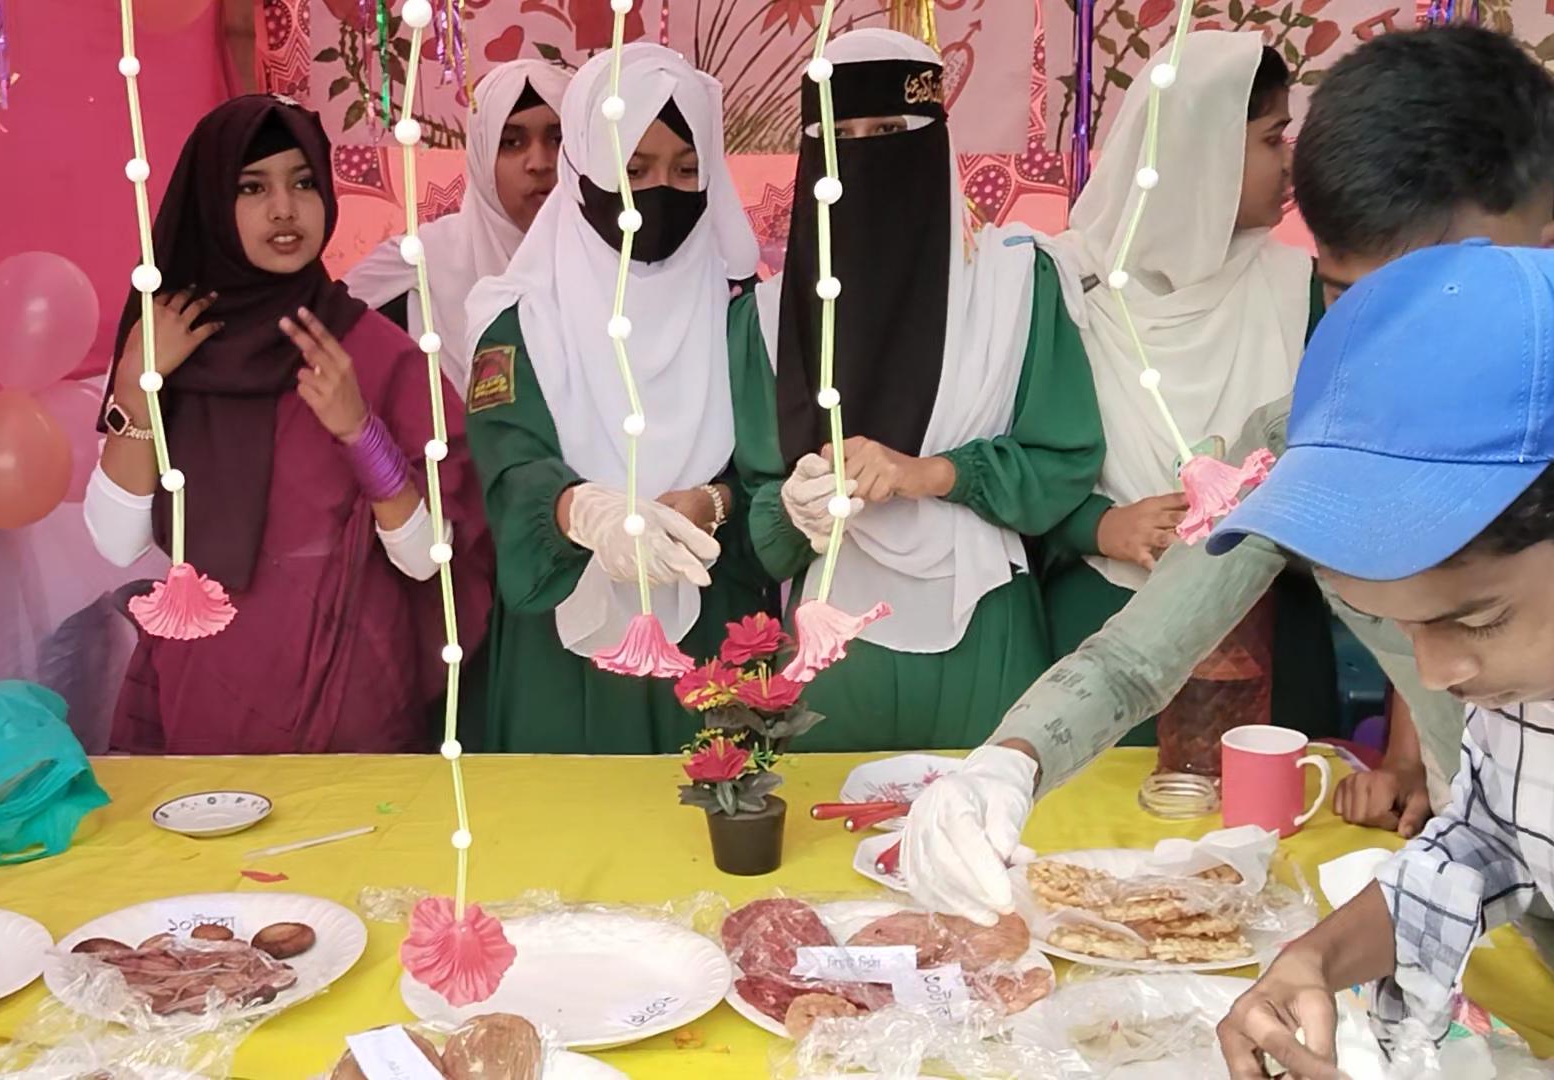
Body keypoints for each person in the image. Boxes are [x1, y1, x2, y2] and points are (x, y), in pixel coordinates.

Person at [889, 25, 1554, 926]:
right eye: (1345, 297)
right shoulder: (1304, 449)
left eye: (1440, 297)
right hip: (1490, 906)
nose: (1388, 349)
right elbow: (1139, 655)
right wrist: (1006, 766)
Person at [1213, 242, 1554, 1077]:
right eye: (1397, 625)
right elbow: (1489, 837)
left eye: (1478, 619)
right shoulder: (1524, 687)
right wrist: (1315, 958)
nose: (1434, 675)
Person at [84, 95, 492, 754]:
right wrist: (136, 388)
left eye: (303, 183)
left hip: (350, 683)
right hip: (209, 682)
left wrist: (361, 432)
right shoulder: (168, 345)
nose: (284, 209)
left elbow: (427, 560)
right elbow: (116, 541)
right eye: (252, 188)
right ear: (211, 203)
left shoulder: (376, 352)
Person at [747, 29, 1104, 750]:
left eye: (887, 131)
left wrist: (934, 473)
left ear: (933, 137)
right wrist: (792, 507)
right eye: (836, 138)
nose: (861, 158)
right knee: (821, 821)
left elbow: (1063, 461)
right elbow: (758, 509)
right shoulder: (769, 314)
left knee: (989, 814)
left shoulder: (1016, 285)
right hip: (830, 645)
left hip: (983, 623)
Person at [462, 43, 780, 753]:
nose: (659, 192)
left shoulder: (744, 313)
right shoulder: (519, 318)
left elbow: (771, 474)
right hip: (564, 637)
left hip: (713, 624)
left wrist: (714, 503)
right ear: (583, 169)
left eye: (686, 170)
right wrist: (585, 512)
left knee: (718, 807)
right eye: (632, 171)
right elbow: (510, 464)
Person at [1039, 34, 1339, 746]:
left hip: (1270, 628)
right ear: (1202, 148)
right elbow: (1017, 469)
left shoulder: (1301, 289)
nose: (1288, 163)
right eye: (1271, 139)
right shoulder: (1070, 288)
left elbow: (1345, 469)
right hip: (1103, 628)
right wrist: (1100, 525)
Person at [344, 60, 570, 392]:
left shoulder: (619, 265)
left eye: (558, 139)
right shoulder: (420, 265)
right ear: (481, 157)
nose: (539, 163)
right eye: (511, 142)